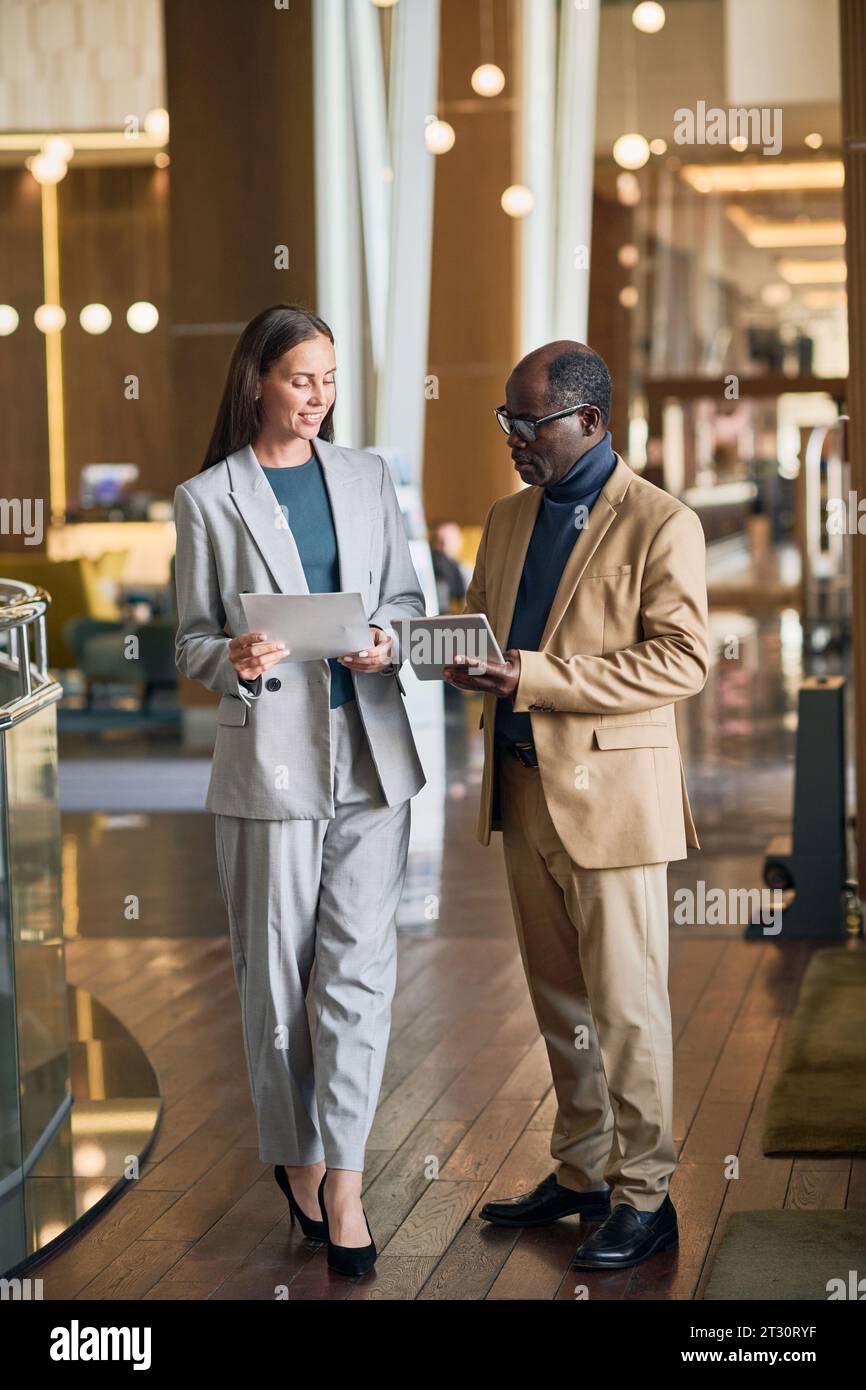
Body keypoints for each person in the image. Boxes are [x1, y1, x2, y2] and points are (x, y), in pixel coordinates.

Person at [443, 341, 709, 1269]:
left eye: (531, 423)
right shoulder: (508, 517)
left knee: (627, 1006)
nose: (515, 439)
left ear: (589, 423)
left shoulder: (661, 522)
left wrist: (531, 674)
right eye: (508, 422)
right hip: (521, 791)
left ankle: (648, 1195)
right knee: (560, 1002)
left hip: (613, 802)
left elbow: (683, 659)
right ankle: (585, 1172)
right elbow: (482, 616)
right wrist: (454, 650)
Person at [173, 304, 426, 1276]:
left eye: (327, 379)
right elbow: (191, 637)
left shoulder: (365, 478)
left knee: (360, 973)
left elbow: (403, 598)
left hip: (369, 752)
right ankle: (297, 1152)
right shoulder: (208, 500)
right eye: (298, 379)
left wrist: (386, 638)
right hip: (267, 761)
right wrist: (229, 656)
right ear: (257, 383)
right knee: (274, 981)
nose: (317, 396)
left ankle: (348, 1178)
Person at [429, 519, 467, 614]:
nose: (444, 546)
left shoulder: (466, 571)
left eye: (449, 540)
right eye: (439, 541)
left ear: (460, 541)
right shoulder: (425, 569)